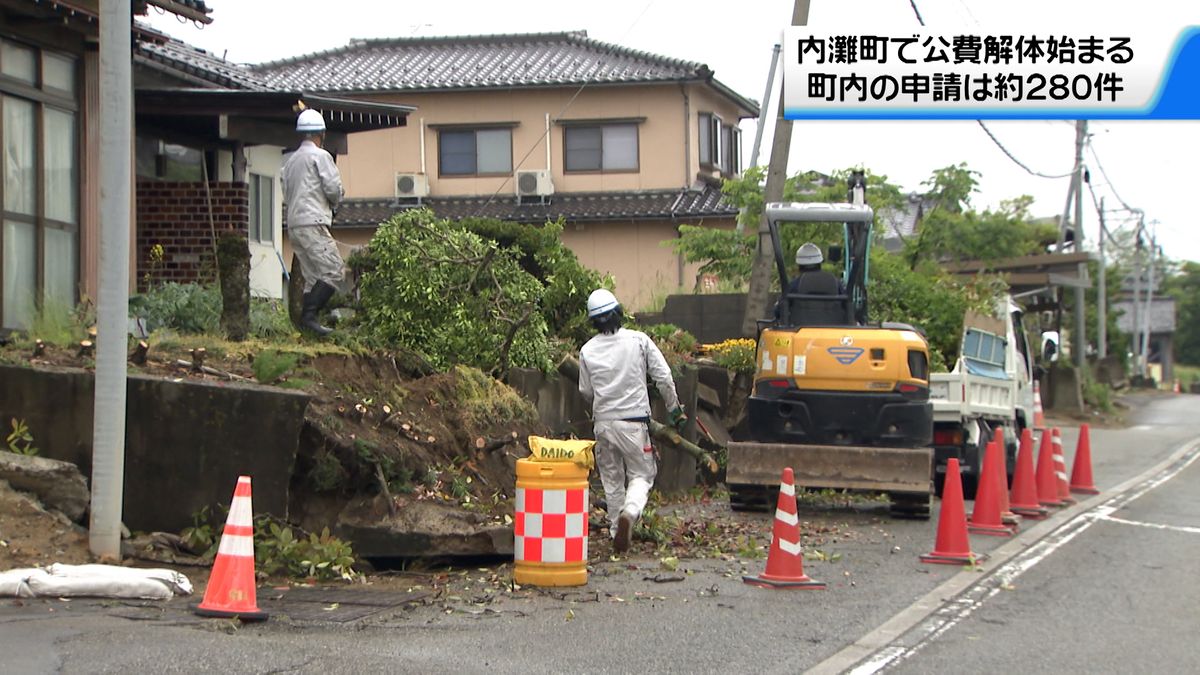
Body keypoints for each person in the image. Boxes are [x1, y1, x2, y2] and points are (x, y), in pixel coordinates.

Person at [578, 288, 687, 554]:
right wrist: (674, 409)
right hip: (634, 424)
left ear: (593, 321)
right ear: (618, 313)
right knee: (642, 474)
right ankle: (631, 512)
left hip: (603, 423)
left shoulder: (587, 350)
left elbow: (585, 391)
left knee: (612, 480)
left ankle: (617, 532)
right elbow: (663, 377)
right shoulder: (639, 340)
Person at [282, 108, 346, 337]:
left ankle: (308, 326)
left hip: (294, 224)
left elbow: (286, 191)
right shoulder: (320, 156)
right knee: (334, 270)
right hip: (314, 221)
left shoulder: (289, 161)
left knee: (312, 277)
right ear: (322, 133)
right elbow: (333, 190)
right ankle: (309, 318)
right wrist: (336, 202)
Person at [774, 242, 843, 322]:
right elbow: (848, 308)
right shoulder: (836, 283)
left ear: (799, 265)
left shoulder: (794, 285)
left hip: (800, 331)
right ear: (820, 262)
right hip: (834, 332)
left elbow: (778, 311)